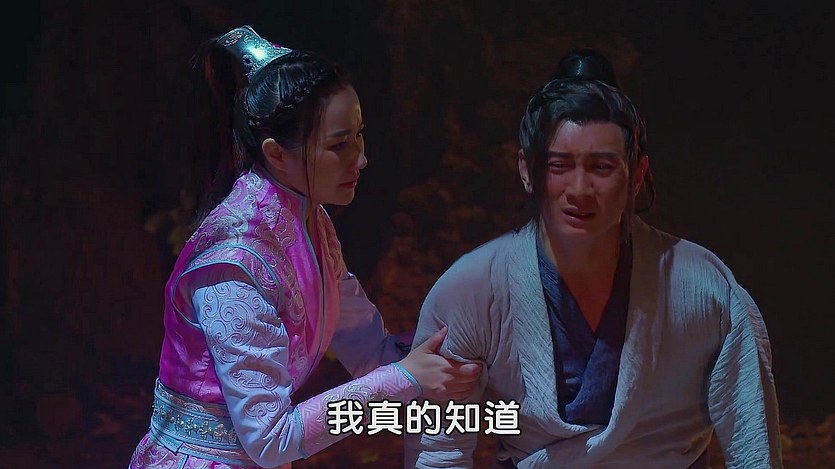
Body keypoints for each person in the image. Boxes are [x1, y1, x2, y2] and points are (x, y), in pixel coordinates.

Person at [404, 49, 782, 468]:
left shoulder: (703, 288)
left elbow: (754, 448)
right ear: (527, 169)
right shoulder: (473, 290)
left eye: (601, 167)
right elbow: (438, 449)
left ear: (637, 174)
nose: (579, 189)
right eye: (559, 165)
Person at [128, 25, 481, 469]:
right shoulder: (234, 263)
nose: (361, 158)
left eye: (359, 134)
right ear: (277, 154)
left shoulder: (310, 222)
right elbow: (269, 438)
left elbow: (365, 343)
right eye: (339, 144)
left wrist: (434, 359)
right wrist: (404, 378)